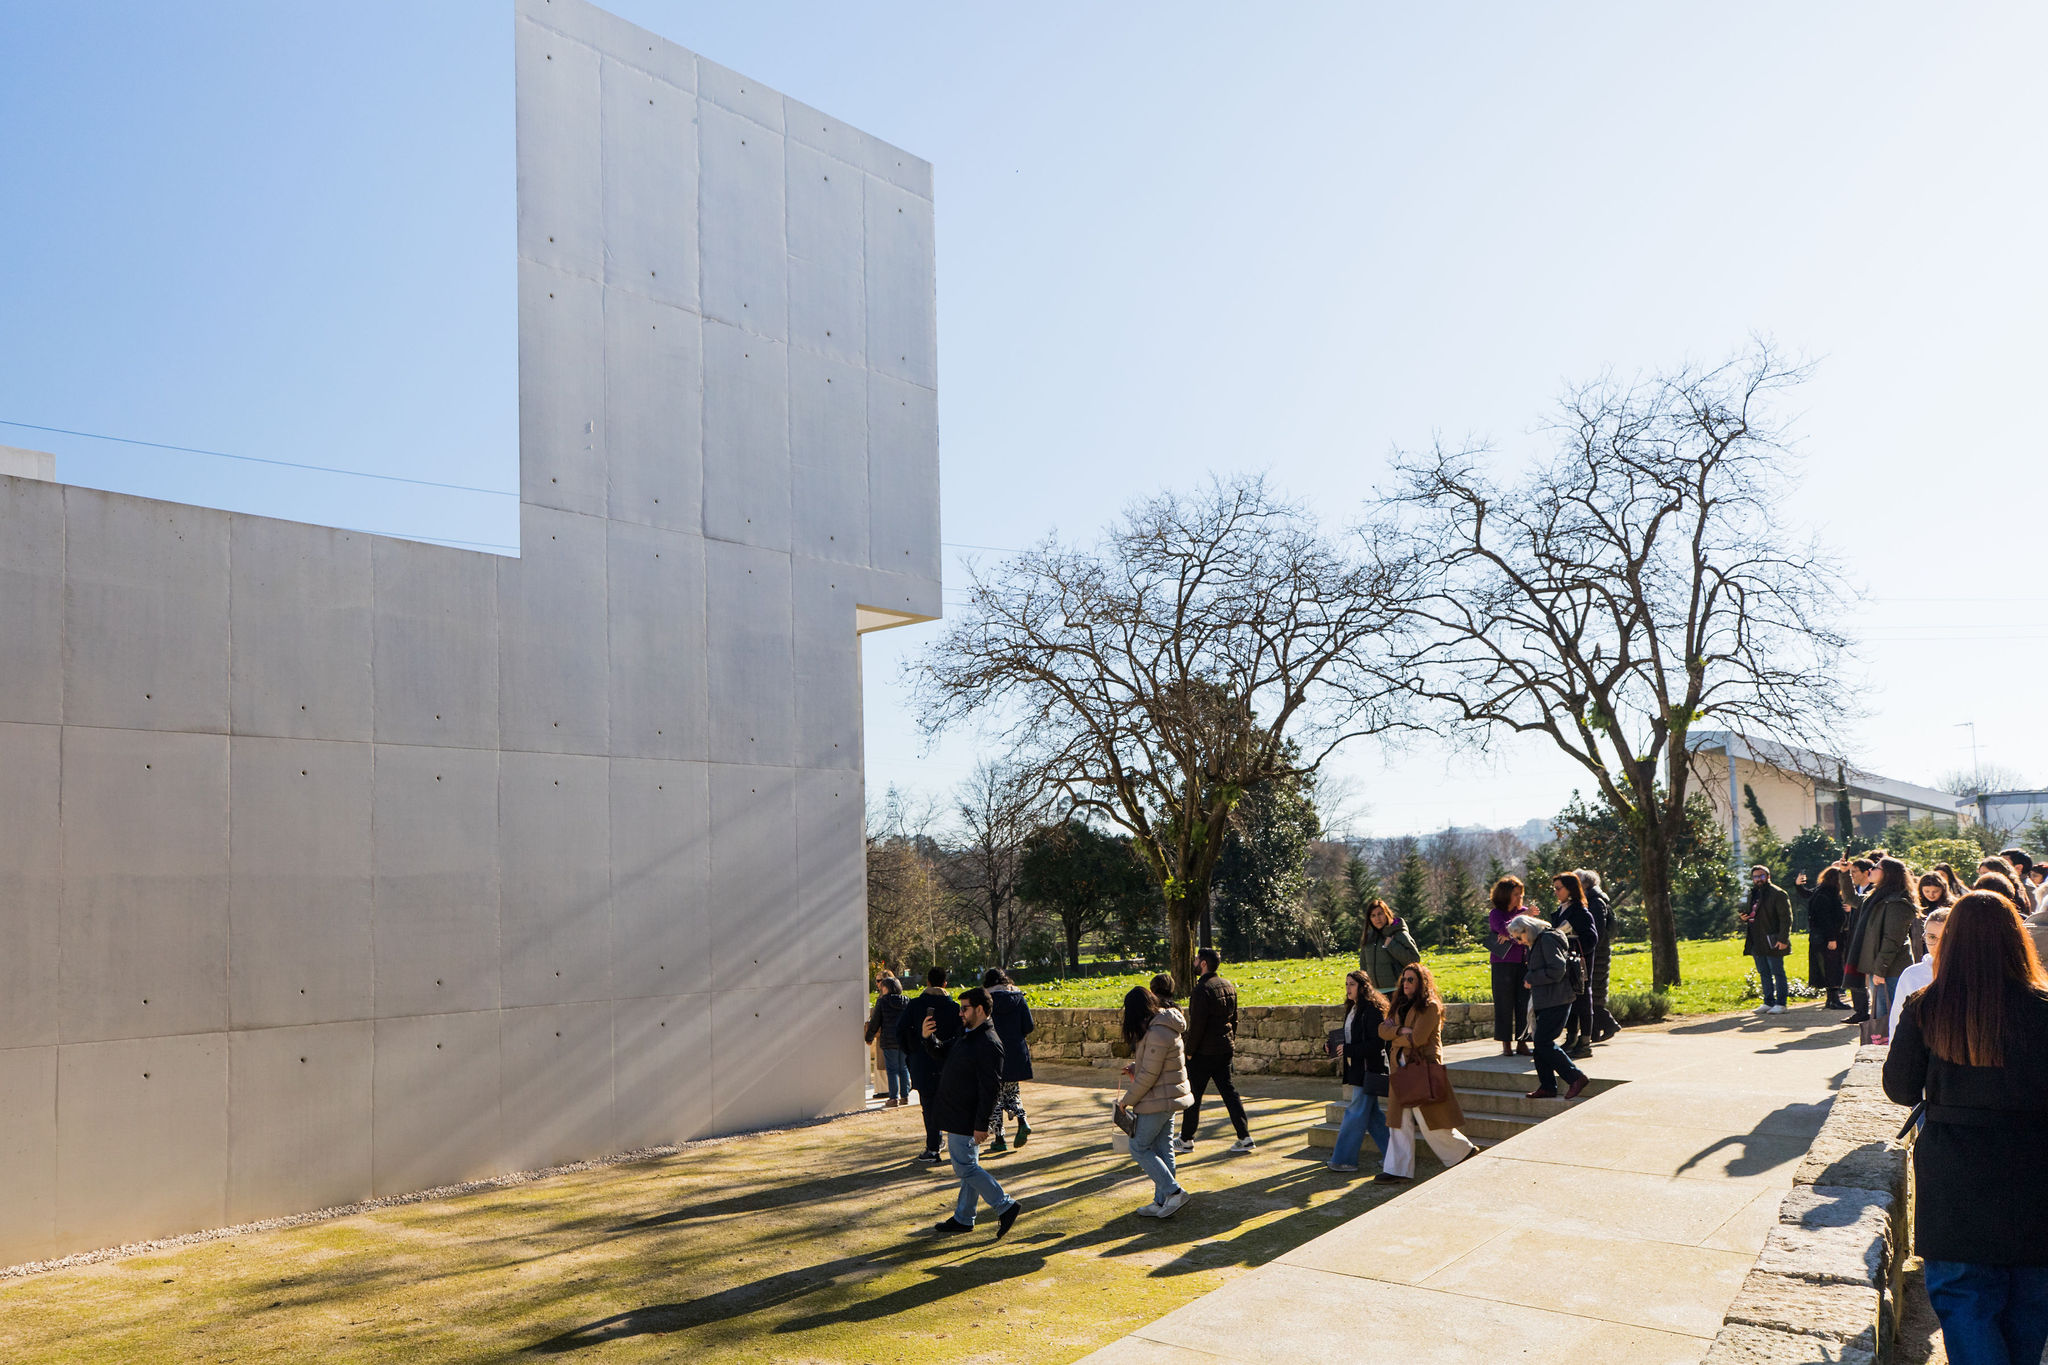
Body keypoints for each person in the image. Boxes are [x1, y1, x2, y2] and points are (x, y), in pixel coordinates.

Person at [1882, 891, 2048, 1365]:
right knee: (2029, 1305)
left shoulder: (1927, 1006)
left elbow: (1900, 1088)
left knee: (1964, 1303)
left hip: (1955, 1173)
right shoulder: (2043, 1006)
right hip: (2034, 1168)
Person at [921, 986, 1023, 1238]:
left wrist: (981, 1125)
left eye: (964, 1008)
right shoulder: (968, 1034)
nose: (960, 1013)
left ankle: (1005, 1205)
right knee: (969, 1166)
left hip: (966, 1117)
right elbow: (942, 1052)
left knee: (966, 1168)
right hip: (957, 1113)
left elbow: (990, 1089)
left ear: (980, 1009)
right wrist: (928, 1038)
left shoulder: (988, 1042)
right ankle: (964, 1218)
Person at [1376, 961, 1479, 1182]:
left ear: (1421, 982)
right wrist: (1401, 1031)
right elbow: (1382, 1030)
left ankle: (1463, 1152)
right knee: (1398, 1120)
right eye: (1404, 979)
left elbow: (1418, 1038)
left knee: (1428, 1119)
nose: (1405, 983)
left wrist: (1396, 1036)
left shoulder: (1430, 1006)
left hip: (1421, 1067)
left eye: (1411, 979)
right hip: (1400, 1068)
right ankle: (1397, 1170)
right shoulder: (1398, 1004)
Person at [1116, 986, 1193, 1218]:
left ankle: (1174, 1192)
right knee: (1163, 1148)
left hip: (1159, 1100)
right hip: (1167, 1097)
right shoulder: (1161, 1025)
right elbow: (1157, 1065)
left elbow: (1150, 1075)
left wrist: (1126, 1101)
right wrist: (1135, 1067)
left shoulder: (1157, 1031)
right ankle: (1162, 1201)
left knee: (1138, 1147)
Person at [1178, 948, 1254, 1155]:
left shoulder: (1201, 990)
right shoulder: (1228, 985)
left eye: (1196, 959)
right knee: (1229, 1093)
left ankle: (1186, 1139)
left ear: (1203, 964)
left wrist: (1189, 1051)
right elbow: (1234, 1019)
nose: (1194, 962)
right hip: (1224, 1048)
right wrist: (1231, 1040)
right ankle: (1244, 1136)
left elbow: (1197, 1025)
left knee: (1193, 1095)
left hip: (1204, 1052)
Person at [1510, 913, 1591, 1101]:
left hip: (1557, 999)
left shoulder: (1547, 939)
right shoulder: (1538, 941)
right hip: (1547, 999)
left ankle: (1576, 1077)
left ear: (1527, 930)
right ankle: (1547, 1086)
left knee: (1543, 1042)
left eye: (1519, 937)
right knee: (1540, 1044)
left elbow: (1557, 969)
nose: (1519, 942)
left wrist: (1532, 978)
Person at [1326, 969, 1392, 1173]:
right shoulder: (1353, 1008)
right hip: (1357, 1070)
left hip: (1369, 1070)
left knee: (1355, 1112)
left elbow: (1377, 1043)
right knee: (1372, 1116)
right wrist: (1331, 1046)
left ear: (1363, 987)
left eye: (1352, 984)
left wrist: (1348, 1049)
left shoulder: (1372, 1010)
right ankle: (1395, 1157)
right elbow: (1349, 1037)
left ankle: (1343, 1160)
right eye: (1346, 984)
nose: (1348, 988)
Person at [896, 967, 963, 1163]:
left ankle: (933, 1147)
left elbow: (900, 1031)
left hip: (922, 1063)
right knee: (952, 1105)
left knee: (929, 1106)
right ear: (945, 984)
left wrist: (912, 1051)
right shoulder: (954, 1008)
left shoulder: (915, 1005)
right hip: (948, 1063)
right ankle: (958, 1147)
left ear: (927, 982)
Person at [1855, 858, 1917, 1044]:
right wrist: (1843, 873)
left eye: (1876, 867)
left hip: (1890, 970)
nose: (1870, 870)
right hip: (1881, 968)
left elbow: (1892, 940)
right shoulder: (1878, 897)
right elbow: (1851, 899)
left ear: (1888, 874)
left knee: (1888, 1016)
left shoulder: (1897, 903)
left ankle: (1889, 1051)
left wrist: (1880, 970)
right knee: (1882, 1015)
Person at [981, 969, 1035, 1153]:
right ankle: (1022, 1120)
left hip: (993, 1053)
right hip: (1016, 1053)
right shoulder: (1018, 997)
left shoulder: (986, 1000)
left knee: (995, 1096)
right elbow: (1029, 1026)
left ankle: (1000, 1138)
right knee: (1012, 1091)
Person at [1549, 872, 1600, 1056]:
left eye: (1559, 888)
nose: (1556, 892)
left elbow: (1592, 939)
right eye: (1555, 888)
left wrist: (1572, 942)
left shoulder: (1581, 911)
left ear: (1570, 889)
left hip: (1580, 962)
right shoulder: (1560, 910)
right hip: (1565, 960)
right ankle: (1571, 1038)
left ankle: (1585, 1042)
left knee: (1583, 998)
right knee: (1569, 998)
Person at [1487, 875, 1532, 1057]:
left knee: (1524, 1003)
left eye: (1521, 894)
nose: (1519, 898)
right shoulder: (1496, 913)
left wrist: (1513, 936)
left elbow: (1527, 936)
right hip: (1502, 963)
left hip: (1524, 962)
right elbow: (1505, 929)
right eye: (1515, 894)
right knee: (1503, 1003)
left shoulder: (1525, 911)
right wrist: (1517, 927)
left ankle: (1523, 1042)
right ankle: (1505, 1042)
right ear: (1505, 895)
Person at [1886, 906, 1948, 1040]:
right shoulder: (1912, 975)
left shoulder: (1971, 974)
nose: (1938, 945)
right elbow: (1897, 1021)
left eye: (1945, 937)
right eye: (1932, 937)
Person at [1798, 866, 1850, 1009]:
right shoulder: (1828, 895)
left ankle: (1831, 999)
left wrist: (1799, 886)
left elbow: (1806, 894)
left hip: (1819, 937)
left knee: (1827, 968)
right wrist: (1832, 938)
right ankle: (1834, 1000)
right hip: (1829, 937)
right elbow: (1826, 919)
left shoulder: (1820, 892)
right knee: (1833, 967)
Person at [1743, 865, 1793, 1014]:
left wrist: (1783, 939)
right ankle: (1768, 1001)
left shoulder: (1778, 893)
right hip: (1756, 939)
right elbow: (1749, 913)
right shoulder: (1752, 894)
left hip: (1773, 939)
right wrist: (1743, 917)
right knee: (1763, 972)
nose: (1759, 879)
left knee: (1777, 971)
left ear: (1768, 877)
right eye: (1756, 877)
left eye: (1762, 876)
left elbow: (1786, 918)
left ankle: (1781, 1003)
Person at [1578, 868, 1620, 1042]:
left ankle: (1609, 1024)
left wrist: (1589, 946)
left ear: (1585, 884)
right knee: (1593, 993)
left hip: (1597, 953)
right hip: (1597, 951)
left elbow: (1597, 931)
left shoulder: (1595, 902)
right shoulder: (1595, 899)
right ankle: (1593, 1032)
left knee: (1592, 993)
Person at [1840, 858, 1877, 1026]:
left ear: (1866, 872)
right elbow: (1849, 897)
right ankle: (1860, 1011)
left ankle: (1876, 1013)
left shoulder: (1874, 891)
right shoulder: (1857, 890)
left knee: (1872, 979)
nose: (1852, 875)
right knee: (1854, 973)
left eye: (1854, 872)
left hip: (1869, 939)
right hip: (1854, 937)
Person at [865, 974, 910, 1106]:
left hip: (889, 1040)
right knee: (903, 1068)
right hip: (904, 1040)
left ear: (886, 988)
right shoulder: (906, 1001)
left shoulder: (882, 1002)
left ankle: (893, 1098)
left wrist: (869, 1037)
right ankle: (905, 1096)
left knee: (892, 1069)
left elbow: (875, 1022)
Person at [1358, 898, 1421, 993]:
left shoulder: (1399, 934)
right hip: (1375, 993)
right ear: (1369, 919)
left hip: (1397, 991)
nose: (1377, 918)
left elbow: (1414, 959)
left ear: (1387, 914)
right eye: (1373, 915)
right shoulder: (1368, 938)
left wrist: (1392, 945)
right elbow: (1363, 966)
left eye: (1380, 914)